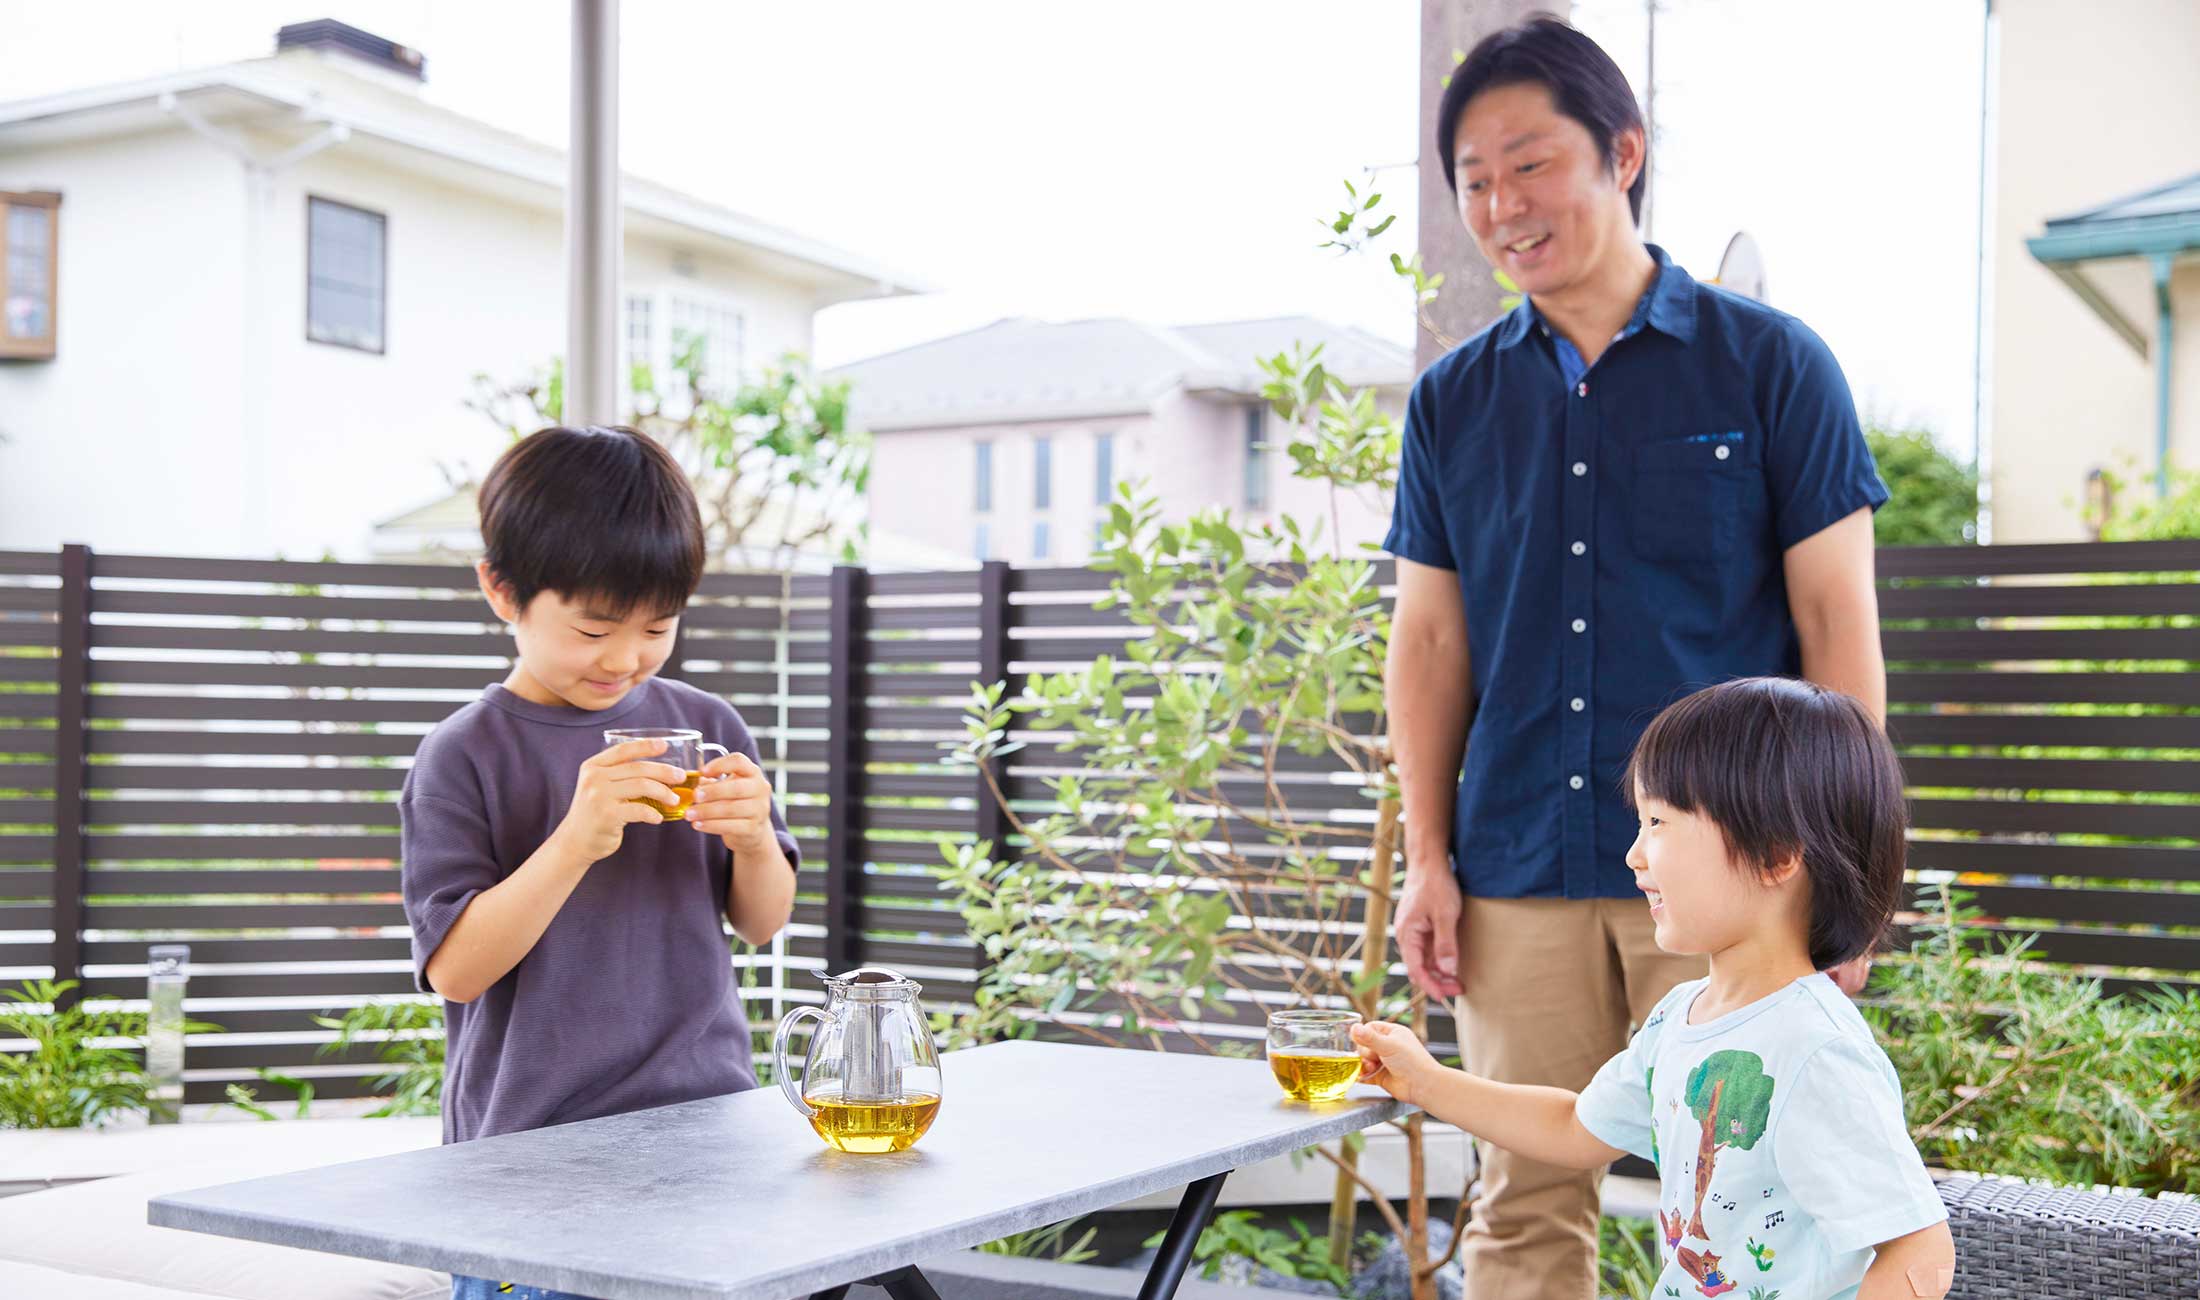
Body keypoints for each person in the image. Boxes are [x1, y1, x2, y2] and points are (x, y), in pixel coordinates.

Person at [1382, 16, 1890, 1295]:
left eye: (1529, 164)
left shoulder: (1773, 366)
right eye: (1474, 181)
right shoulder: (1452, 403)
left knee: (1754, 1194)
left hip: (1736, 865)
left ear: (1622, 153)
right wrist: (1428, 859)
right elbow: (1431, 643)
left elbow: (1837, 628)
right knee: (1523, 1200)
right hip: (1515, 862)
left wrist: (1847, 879)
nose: (1502, 206)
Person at [1355, 678, 1955, 1300]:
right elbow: (1573, 1127)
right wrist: (1426, 1082)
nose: (1634, 856)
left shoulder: (1815, 1050)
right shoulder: (1681, 1017)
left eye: (1659, 823)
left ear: (1776, 857)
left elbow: (1920, 1250)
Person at [400, 425, 799, 1300]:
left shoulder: (707, 726)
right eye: (593, 628)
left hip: (706, 1139)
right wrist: (576, 839)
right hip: (529, 1171)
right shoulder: (464, 755)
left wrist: (754, 838)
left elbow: (763, 921)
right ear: (501, 592)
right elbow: (459, 972)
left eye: (658, 626)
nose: (625, 658)